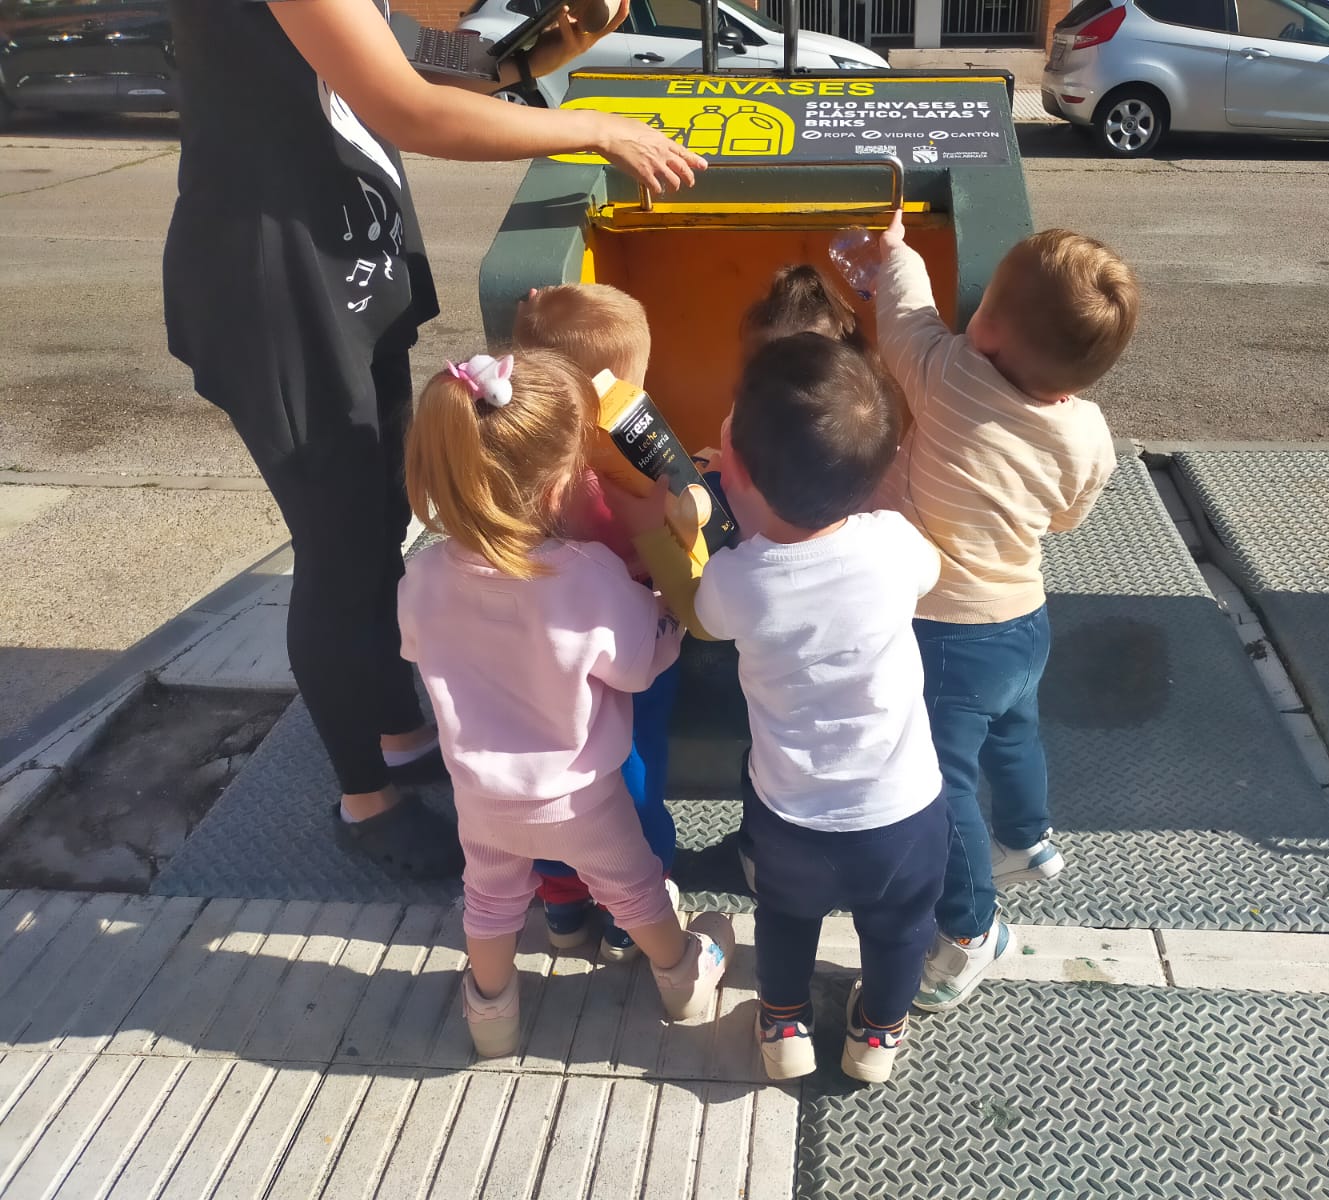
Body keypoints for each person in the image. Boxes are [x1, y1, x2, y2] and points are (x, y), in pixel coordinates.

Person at [162, 0, 704, 879]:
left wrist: (539, 57)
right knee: (339, 550)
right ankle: (364, 802)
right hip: (283, 287)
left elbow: (410, 67)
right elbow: (408, 110)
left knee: (376, 526)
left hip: (344, 267)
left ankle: (400, 732)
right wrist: (592, 127)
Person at [612, 333, 948, 1085]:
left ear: (741, 480)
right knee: (898, 932)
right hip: (903, 813)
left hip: (791, 817)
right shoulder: (894, 543)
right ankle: (877, 1037)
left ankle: (784, 1023)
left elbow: (704, 615)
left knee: (787, 921)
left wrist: (685, 529)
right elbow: (924, 569)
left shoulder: (741, 579)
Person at [396, 349, 732, 1058]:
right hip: (580, 798)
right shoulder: (589, 575)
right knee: (636, 888)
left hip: (481, 799)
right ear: (559, 487)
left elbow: (420, 649)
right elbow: (640, 665)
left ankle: (490, 1014)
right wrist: (668, 612)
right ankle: (683, 977)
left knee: (488, 902)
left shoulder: (422, 578)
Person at [870, 211, 1139, 1013]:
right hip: (1024, 617)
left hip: (948, 632)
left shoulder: (948, 376)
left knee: (939, 781)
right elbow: (1068, 517)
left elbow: (904, 320)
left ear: (985, 323)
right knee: (1015, 731)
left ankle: (969, 930)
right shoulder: (1089, 431)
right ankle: (1024, 840)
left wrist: (893, 251)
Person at [511, 283, 680, 961]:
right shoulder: (613, 473)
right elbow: (660, 537)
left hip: (537, 643)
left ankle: (560, 902)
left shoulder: (519, 456)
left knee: (555, 766)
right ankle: (630, 910)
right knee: (636, 765)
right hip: (623, 637)